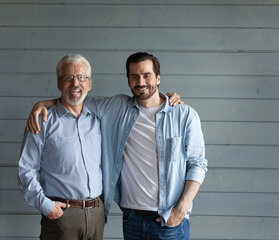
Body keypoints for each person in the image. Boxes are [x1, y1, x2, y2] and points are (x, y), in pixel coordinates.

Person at [28, 52, 204, 240]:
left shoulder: (184, 115)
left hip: (168, 220)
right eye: (134, 76)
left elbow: (197, 164)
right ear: (128, 81)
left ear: (158, 78)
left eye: (147, 75)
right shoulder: (117, 107)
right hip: (132, 220)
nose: (141, 82)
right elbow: (75, 98)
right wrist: (44, 104)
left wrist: (181, 209)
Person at [18, 54, 105, 240]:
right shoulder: (42, 120)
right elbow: (26, 169)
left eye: (81, 77)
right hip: (62, 216)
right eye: (68, 78)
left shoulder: (99, 119)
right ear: (59, 83)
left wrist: (167, 97)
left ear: (89, 84)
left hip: (97, 213)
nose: (75, 83)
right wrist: (46, 206)